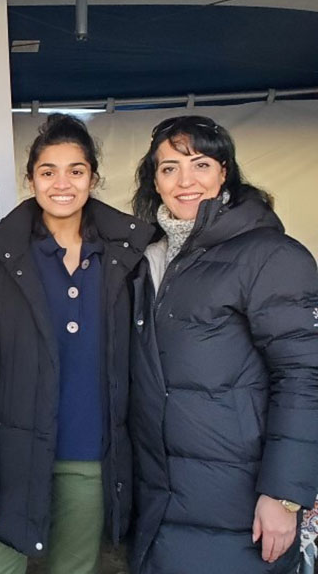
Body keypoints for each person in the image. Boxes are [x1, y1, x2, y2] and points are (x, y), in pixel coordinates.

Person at [0, 114, 154, 574]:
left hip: (87, 462)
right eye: (48, 172)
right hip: (8, 463)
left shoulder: (126, 258)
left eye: (76, 171)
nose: (62, 184)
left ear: (93, 178)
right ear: (30, 180)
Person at [128, 115, 318, 574]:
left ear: (224, 171)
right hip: (162, 496)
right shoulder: (145, 257)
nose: (185, 181)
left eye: (200, 164)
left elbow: (305, 376)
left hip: (238, 499)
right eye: (169, 168)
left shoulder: (270, 255)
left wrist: (284, 494)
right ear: (154, 180)